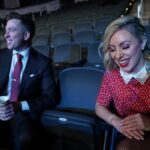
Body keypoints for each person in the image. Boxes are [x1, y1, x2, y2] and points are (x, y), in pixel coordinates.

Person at [0, 12, 56, 150]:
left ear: (26, 36)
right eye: (5, 30)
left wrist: (18, 106)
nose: (5, 35)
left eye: (11, 30)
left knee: (24, 140)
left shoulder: (43, 63)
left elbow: (50, 97)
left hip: (24, 114)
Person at [95, 15, 150, 150]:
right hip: (132, 134)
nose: (118, 56)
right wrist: (116, 121)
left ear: (142, 42)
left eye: (125, 46)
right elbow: (99, 106)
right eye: (112, 49)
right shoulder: (111, 76)